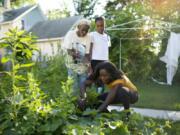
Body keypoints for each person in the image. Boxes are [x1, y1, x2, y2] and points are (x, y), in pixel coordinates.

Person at [62, 19, 91, 94]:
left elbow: (87, 54)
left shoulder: (88, 37)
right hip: (71, 62)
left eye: (86, 31)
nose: (84, 32)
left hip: (82, 62)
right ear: (78, 27)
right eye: (82, 30)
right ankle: (73, 102)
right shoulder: (71, 34)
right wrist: (74, 54)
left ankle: (83, 100)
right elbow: (68, 50)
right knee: (73, 83)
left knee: (83, 83)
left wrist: (89, 66)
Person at [88, 16, 111, 92]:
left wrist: (108, 62)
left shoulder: (107, 37)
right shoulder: (92, 35)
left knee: (103, 82)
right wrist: (89, 65)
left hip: (105, 62)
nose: (100, 27)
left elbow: (106, 50)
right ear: (95, 26)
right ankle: (96, 100)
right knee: (97, 82)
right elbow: (89, 50)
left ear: (105, 25)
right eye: (98, 26)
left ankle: (100, 100)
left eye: (102, 25)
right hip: (95, 62)